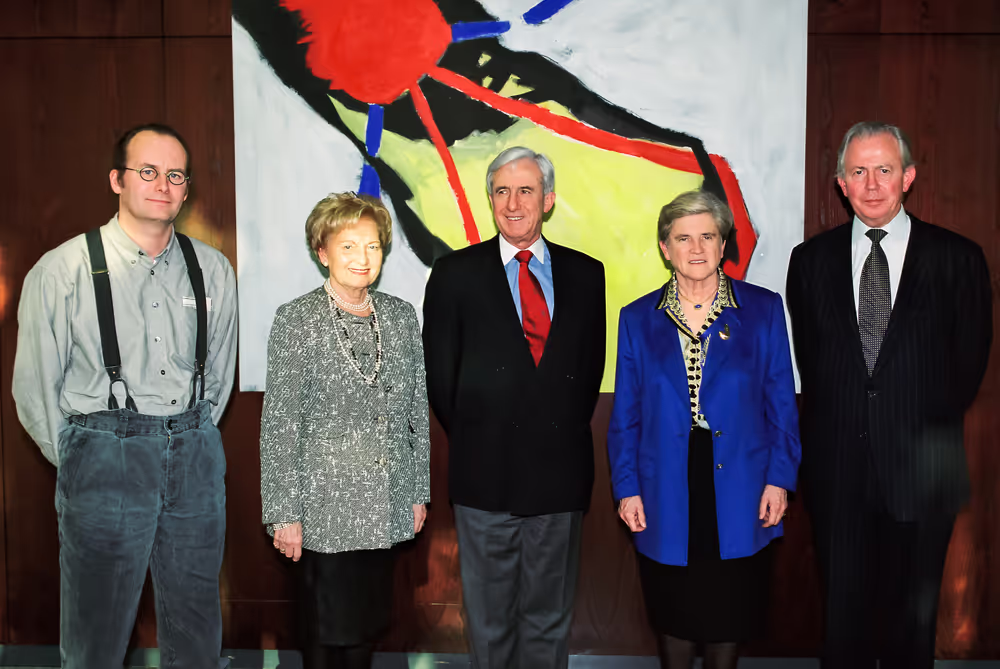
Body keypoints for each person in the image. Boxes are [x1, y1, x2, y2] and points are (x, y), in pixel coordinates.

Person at [11, 123, 238, 668]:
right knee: (95, 641)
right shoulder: (62, 269)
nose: (162, 184)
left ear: (186, 190)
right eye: (147, 171)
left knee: (198, 634)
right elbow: (34, 388)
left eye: (175, 175)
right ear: (117, 180)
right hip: (104, 459)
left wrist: (190, 435)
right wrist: (81, 458)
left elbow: (220, 379)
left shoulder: (212, 269)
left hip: (194, 455)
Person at [786, 121, 993, 669]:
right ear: (840, 184)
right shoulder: (809, 263)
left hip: (923, 473)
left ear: (908, 178)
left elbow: (969, 365)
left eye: (884, 169)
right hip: (839, 475)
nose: (872, 183)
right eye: (859, 171)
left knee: (911, 632)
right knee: (843, 628)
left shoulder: (959, 259)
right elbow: (816, 361)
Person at [422, 146, 606, 668]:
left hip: (559, 479)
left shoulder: (587, 276)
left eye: (525, 190)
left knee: (548, 622)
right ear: (490, 200)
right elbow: (441, 382)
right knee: (488, 621)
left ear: (548, 200)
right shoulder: (454, 274)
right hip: (484, 479)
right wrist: (488, 435)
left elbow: (585, 376)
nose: (512, 202)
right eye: (501, 191)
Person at [608, 190, 800, 669]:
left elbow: (782, 407)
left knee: (729, 617)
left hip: (742, 485)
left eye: (707, 237)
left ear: (723, 244)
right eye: (683, 238)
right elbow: (625, 417)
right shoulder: (636, 319)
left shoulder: (762, 311)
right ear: (664, 248)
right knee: (674, 615)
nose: (696, 249)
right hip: (664, 487)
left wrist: (780, 479)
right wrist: (627, 487)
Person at [259, 192, 430, 669]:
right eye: (348, 246)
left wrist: (418, 491)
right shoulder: (296, 320)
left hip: (385, 506)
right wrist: (282, 513)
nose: (362, 258)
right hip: (320, 516)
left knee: (365, 635)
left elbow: (416, 410)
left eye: (372, 246)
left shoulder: (399, 317)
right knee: (325, 639)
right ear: (323, 252)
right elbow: (280, 425)